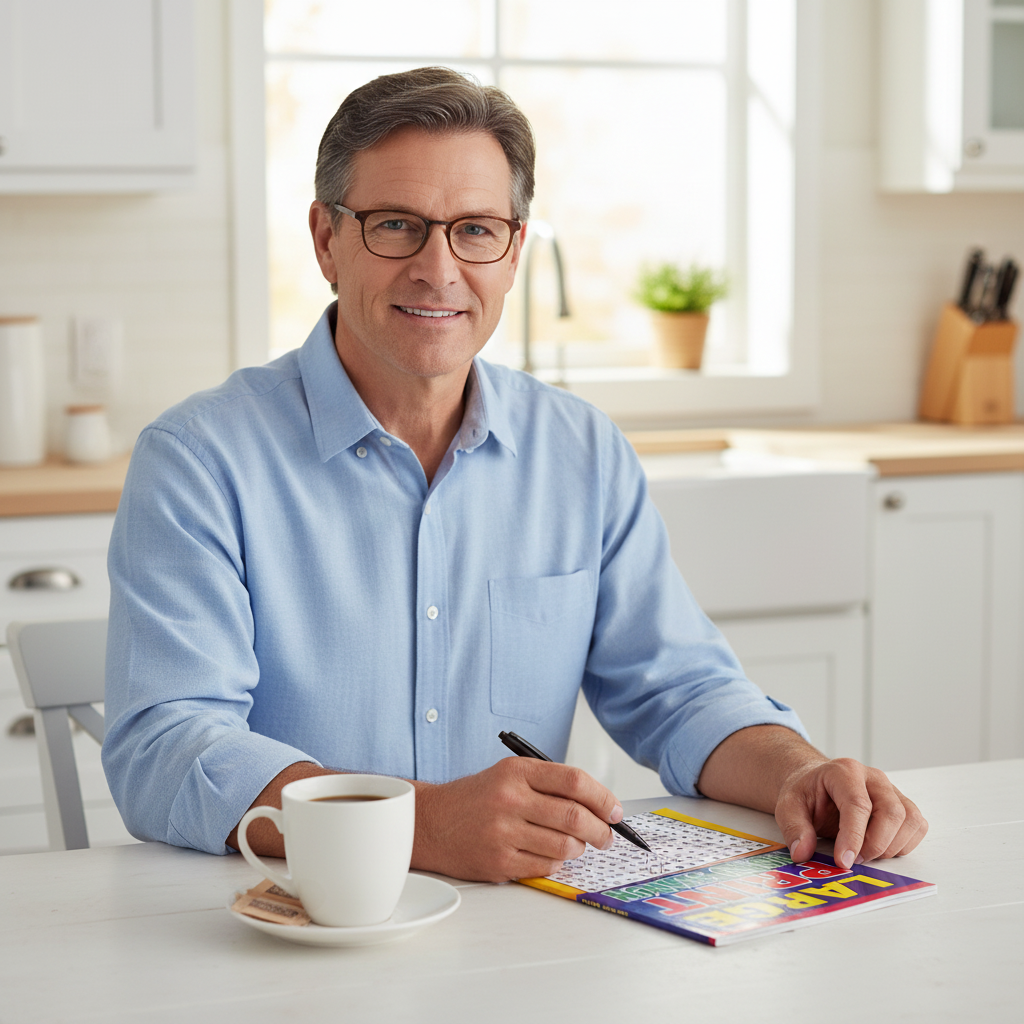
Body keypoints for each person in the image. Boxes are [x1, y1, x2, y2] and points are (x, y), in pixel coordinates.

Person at [102, 67, 927, 882]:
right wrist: (418, 824)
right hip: (281, 921)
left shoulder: (581, 451)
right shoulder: (200, 459)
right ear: (326, 240)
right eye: (396, 225)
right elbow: (167, 747)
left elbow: (677, 689)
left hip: (524, 931)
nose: (438, 268)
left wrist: (796, 773)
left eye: (475, 230)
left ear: (514, 250)